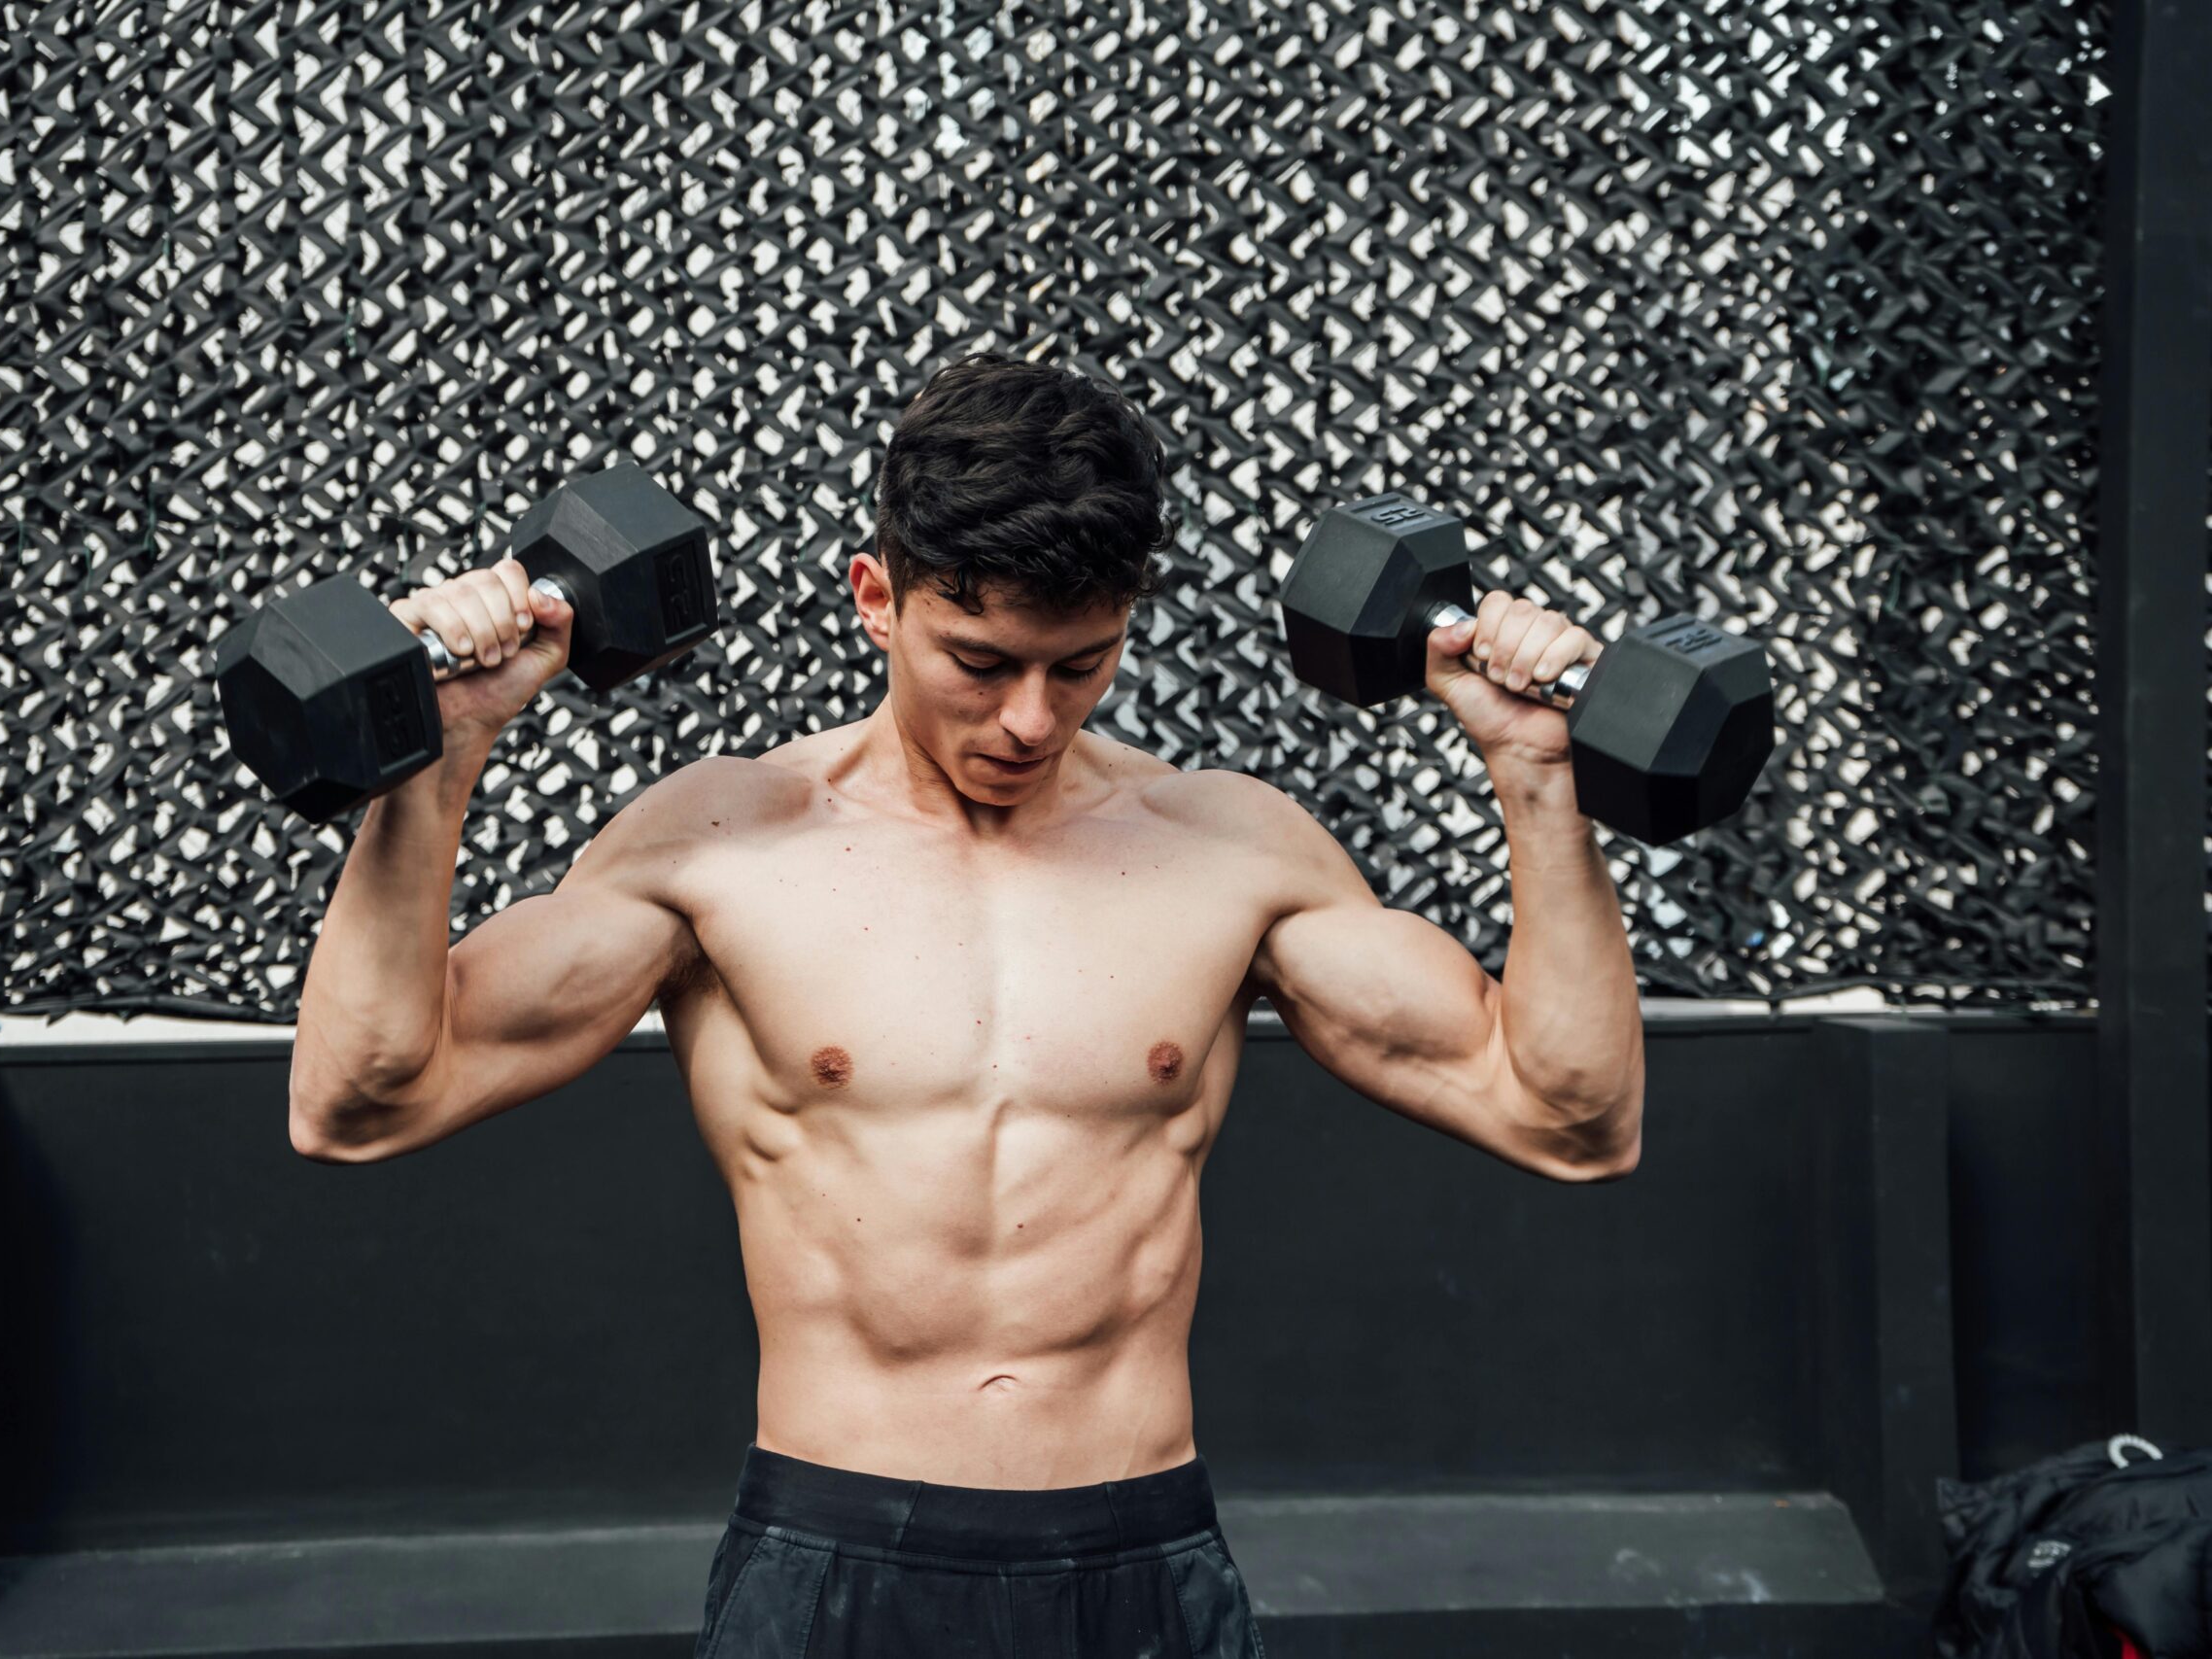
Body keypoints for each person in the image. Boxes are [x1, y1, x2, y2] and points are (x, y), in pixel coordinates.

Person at [286, 352, 1644, 1658]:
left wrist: (1535, 775)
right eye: (981, 662)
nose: (1031, 724)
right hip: (836, 1555)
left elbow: (1566, 1117)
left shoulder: (1235, 852)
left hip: (1142, 1559)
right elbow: (364, 1104)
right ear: (877, 597)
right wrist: (438, 758)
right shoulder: (719, 843)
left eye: (1082, 665)